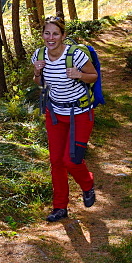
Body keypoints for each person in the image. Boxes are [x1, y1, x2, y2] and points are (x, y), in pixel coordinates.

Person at [32, 16, 99, 222]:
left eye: (55, 33)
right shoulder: (39, 55)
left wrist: (79, 75)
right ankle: (59, 207)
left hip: (80, 114)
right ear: (42, 35)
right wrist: (36, 72)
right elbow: (39, 84)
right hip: (54, 115)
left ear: (63, 36)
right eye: (47, 33)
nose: (50, 38)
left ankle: (87, 185)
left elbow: (93, 75)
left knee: (71, 160)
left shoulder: (75, 55)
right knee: (56, 162)